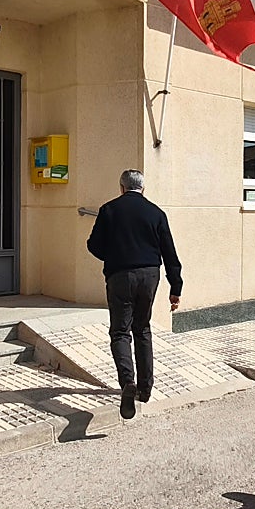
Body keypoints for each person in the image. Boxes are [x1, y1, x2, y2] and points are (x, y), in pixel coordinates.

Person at [86, 169, 183, 420]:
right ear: (143, 188)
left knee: (120, 331)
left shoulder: (109, 210)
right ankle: (145, 387)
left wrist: (115, 255)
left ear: (121, 187)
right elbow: (169, 253)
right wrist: (176, 288)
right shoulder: (156, 213)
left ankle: (127, 382)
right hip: (150, 276)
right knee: (142, 329)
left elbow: (93, 245)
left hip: (120, 276)